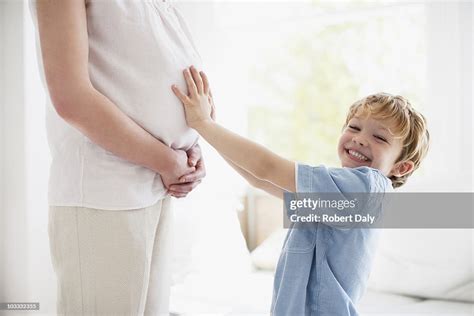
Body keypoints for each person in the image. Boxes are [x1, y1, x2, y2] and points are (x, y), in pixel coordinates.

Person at [171, 66, 430, 315]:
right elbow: (261, 180)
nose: (360, 138)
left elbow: (266, 168)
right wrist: (212, 134)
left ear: (401, 167)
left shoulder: (366, 188)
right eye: (354, 127)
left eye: (380, 138)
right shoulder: (335, 191)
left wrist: (204, 124)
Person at [28, 0, 206, 314]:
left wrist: (188, 145)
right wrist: (168, 160)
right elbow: (71, 97)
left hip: (155, 187)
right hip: (104, 193)